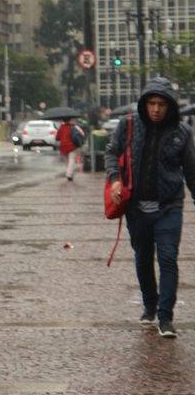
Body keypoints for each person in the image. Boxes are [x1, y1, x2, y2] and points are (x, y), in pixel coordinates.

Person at [106, 77, 195, 339]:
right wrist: (114, 180)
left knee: (168, 257)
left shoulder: (182, 132)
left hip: (169, 206)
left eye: (161, 104)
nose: (156, 109)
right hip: (136, 207)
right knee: (143, 257)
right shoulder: (129, 125)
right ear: (144, 104)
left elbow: (191, 171)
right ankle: (150, 304)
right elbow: (112, 152)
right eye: (151, 104)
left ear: (170, 106)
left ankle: (166, 318)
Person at [55, 117, 85, 182]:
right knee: (72, 160)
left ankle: (69, 173)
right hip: (72, 146)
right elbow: (82, 134)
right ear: (70, 120)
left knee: (67, 162)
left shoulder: (61, 128)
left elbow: (57, 138)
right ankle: (69, 175)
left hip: (63, 147)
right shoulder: (74, 126)